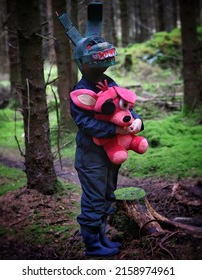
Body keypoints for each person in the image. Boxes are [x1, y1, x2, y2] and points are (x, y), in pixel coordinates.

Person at [58, 5, 144, 257]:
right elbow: (86, 124)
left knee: (107, 196)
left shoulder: (109, 82)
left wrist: (137, 121)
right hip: (92, 157)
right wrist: (116, 131)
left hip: (110, 156)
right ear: (84, 61)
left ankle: (102, 238)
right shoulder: (80, 92)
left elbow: (125, 104)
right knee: (95, 200)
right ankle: (93, 246)